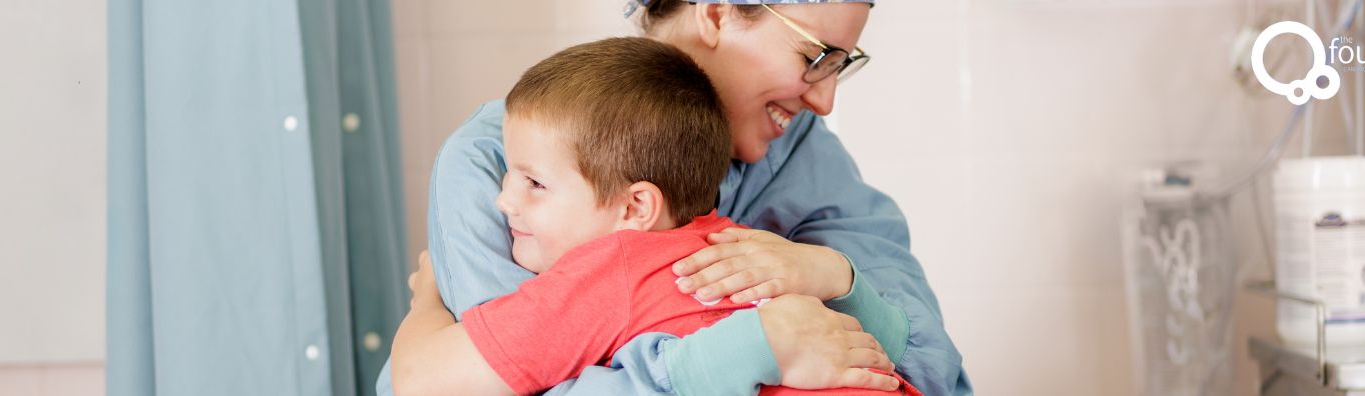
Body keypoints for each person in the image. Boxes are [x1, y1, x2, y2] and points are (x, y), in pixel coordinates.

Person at [381, 1, 972, 395]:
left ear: (641, 205)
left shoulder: (617, 264)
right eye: (816, 57)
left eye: (844, 65)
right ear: (716, 10)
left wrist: (831, 275)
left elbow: (926, 361)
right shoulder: (497, 151)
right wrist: (750, 348)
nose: (825, 103)